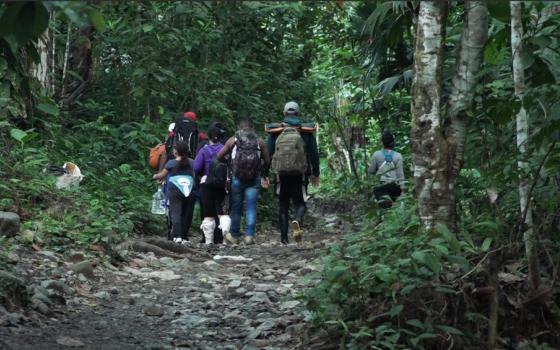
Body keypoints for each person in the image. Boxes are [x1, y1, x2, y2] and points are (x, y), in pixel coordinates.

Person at [266, 101, 320, 244]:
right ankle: (297, 219)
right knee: (300, 202)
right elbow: (314, 154)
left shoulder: (276, 131)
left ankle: (284, 238)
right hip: (300, 174)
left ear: (284, 114)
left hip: (281, 175)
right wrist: (316, 174)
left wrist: (264, 174)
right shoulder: (306, 131)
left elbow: (267, 154)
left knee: (283, 204)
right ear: (297, 113)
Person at [216, 117, 270, 245]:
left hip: (237, 178)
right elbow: (268, 160)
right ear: (252, 127)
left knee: (236, 207)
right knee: (251, 207)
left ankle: (234, 236)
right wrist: (263, 171)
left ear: (239, 127)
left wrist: (229, 163)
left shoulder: (233, 140)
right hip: (254, 178)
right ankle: (249, 236)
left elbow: (219, 156)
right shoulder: (259, 141)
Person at [153, 141, 196, 244]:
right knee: (187, 213)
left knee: (176, 212)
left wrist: (155, 176)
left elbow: (161, 175)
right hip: (189, 188)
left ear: (176, 151)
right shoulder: (192, 162)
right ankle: (185, 236)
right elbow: (195, 175)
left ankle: (177, 236)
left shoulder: (171, 163)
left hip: (175, 189)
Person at [193, 126, 230, 245]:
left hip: (206, 184)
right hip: (222, 184)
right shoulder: (225, 150)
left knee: (208, 214)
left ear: (208, 136)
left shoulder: (204, 150)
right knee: (222, 212)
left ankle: (209, 241)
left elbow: (196, 167)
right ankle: (224, 239)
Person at [368, 131, 405, 208]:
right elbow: (400, 175)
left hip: (381, 187)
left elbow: (371, 171)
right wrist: (403, 190)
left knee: (385, 207)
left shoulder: (376, 154)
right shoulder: (398, 156)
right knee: (394, 208)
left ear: (382, 142)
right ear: (393, 142)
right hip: (395, 187)